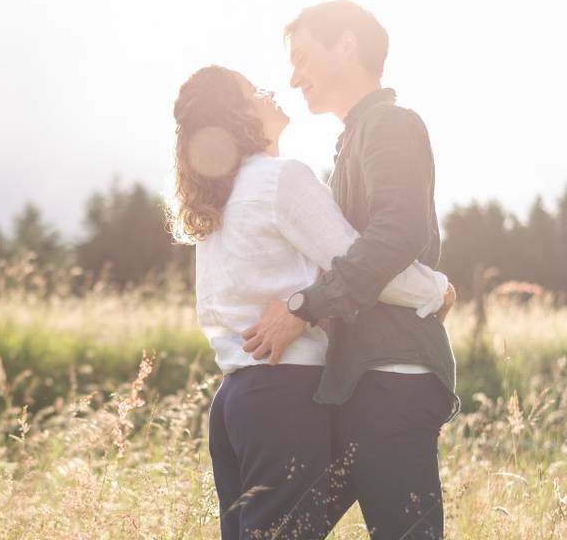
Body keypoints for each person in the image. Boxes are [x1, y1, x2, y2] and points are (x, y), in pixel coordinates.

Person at [168, 64, 455, 539]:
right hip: (285, 394)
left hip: (235, 401)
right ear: (237, 114)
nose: (271, 91)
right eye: (254, 90)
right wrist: (435, 289)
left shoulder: (221, 198)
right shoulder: (281, 180)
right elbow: (364, 264)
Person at [242, 0, 460, 539]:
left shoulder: (389, 124)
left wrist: (304, 308)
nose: (294, 79)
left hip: (394, 379)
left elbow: (396, 232)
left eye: (303, 58)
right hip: (358, 384)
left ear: (346, 45)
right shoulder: (353, 138)